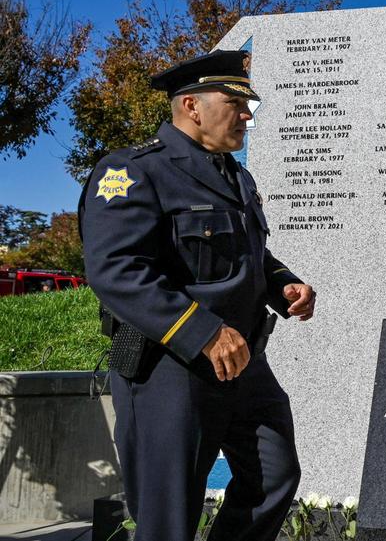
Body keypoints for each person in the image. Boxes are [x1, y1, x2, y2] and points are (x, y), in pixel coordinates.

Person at [79, 49, 317, 541]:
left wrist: (281, 283)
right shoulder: (133, 172)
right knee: (170, 516)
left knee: (275, 477)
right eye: (238, 104)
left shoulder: (235, 176)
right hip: (171, 366)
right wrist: (203, 333)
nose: (248, 115)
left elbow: (250, 254)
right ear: (192, 106)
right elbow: (117, 270)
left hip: (244, 361)